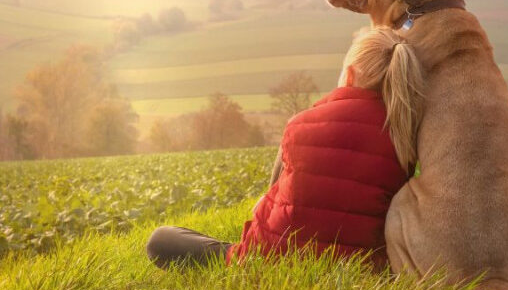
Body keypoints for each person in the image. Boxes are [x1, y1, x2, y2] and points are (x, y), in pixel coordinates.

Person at [146, 27, 423, 270]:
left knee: (161, 239)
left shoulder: (301, 123)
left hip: (266, 261)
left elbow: (271, 206)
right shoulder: (406, 138)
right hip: (360, 268)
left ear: (349, 75)